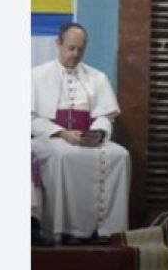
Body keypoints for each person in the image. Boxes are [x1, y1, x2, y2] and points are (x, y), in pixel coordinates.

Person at [30, 22, 131, 244]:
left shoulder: (97, 77)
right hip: (50, 137)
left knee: (121, 155)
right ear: (58, 44)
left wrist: (97, 133)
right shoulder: (36, 76)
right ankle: (65, 230)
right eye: (71, 48)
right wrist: (62, 133)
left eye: (80, 49)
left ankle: (109, 231)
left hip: (87, 137)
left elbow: (105, 116)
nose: (75, 54)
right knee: (63, 155)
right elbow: (31, 118)